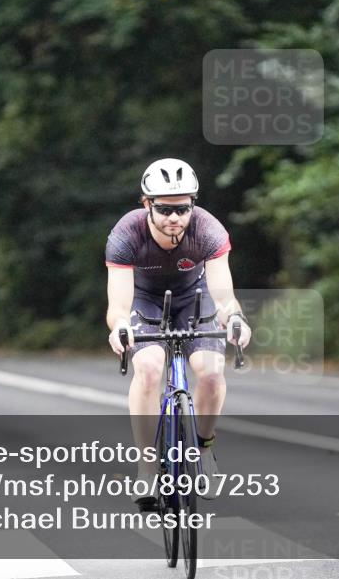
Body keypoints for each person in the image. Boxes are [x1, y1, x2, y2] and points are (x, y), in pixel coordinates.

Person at [105, 158, 252, 510]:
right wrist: (120, 327)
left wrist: (235, 318)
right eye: (165, 209)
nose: (175, 218)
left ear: (193, 206)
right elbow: (119, 306)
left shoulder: (209, 230)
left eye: (183, 209)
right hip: (145, 301)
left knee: (211, 374)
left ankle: (204, 449)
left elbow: (223, 296)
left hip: (194, 299)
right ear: (146, 205)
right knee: (150, 368)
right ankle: (147, 467)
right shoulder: (126, 234)